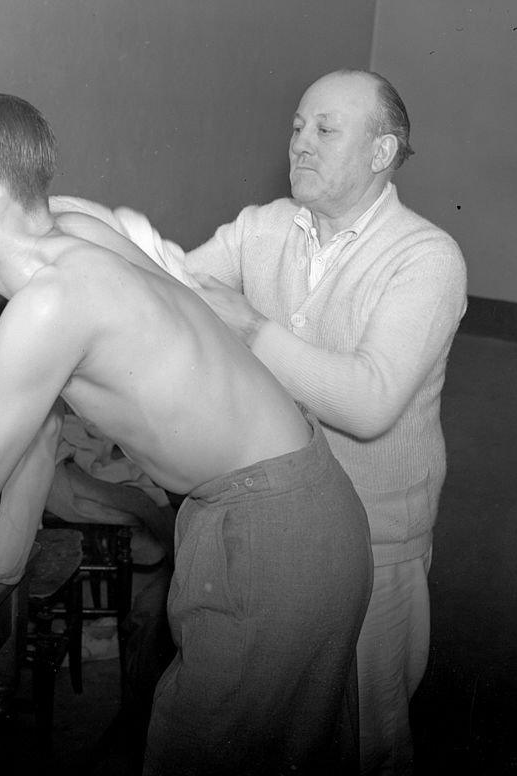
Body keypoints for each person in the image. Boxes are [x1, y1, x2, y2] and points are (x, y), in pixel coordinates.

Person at [0, 92, 373, 776]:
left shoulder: (47, 309)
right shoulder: (71, 226)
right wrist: (7, 556)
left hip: (272, 534)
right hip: (302, 504)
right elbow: (42, 419)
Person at [180, 70, 468, 774]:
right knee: (271, 726)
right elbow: (175, 294)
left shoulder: (426, 258)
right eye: (297, 127)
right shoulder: (263, 226)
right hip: (273, 526)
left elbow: (369, 402)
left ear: (380, 152)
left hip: (378, 536)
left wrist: (249, 327)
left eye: (325, 130)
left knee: (369, 734)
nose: (300, 143)